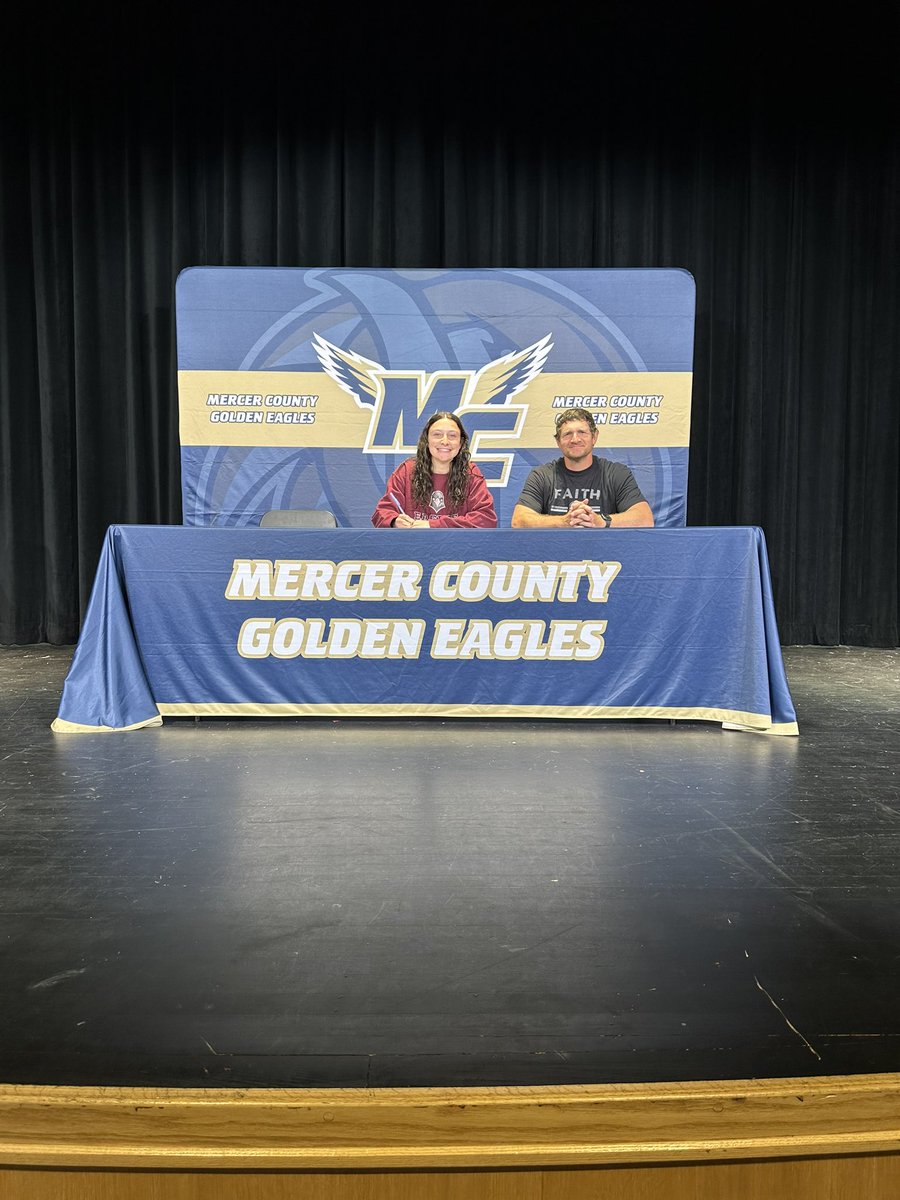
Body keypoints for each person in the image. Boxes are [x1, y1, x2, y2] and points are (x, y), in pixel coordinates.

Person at [511, 407, 654, 529]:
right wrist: (564, 521)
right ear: (558, 442)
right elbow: (518, 521)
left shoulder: (616, 474)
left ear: (594, 437)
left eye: (582, 432)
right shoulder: (542, 476)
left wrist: (600, 521)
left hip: (605, 551)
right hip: (555, 551)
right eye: (567, 434)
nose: (575, 439)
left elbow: (645, 519)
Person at [371, 411, 498, 529]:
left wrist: (432, 525)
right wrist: (394, 521)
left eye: (452, 436)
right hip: (414, 544)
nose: (445, 441)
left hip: (456, 545)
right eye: (437, 435)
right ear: (426, 440)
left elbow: (486, 518)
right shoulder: (406, 471)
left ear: (460, 443)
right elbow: (381, 513)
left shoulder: (471, 474)